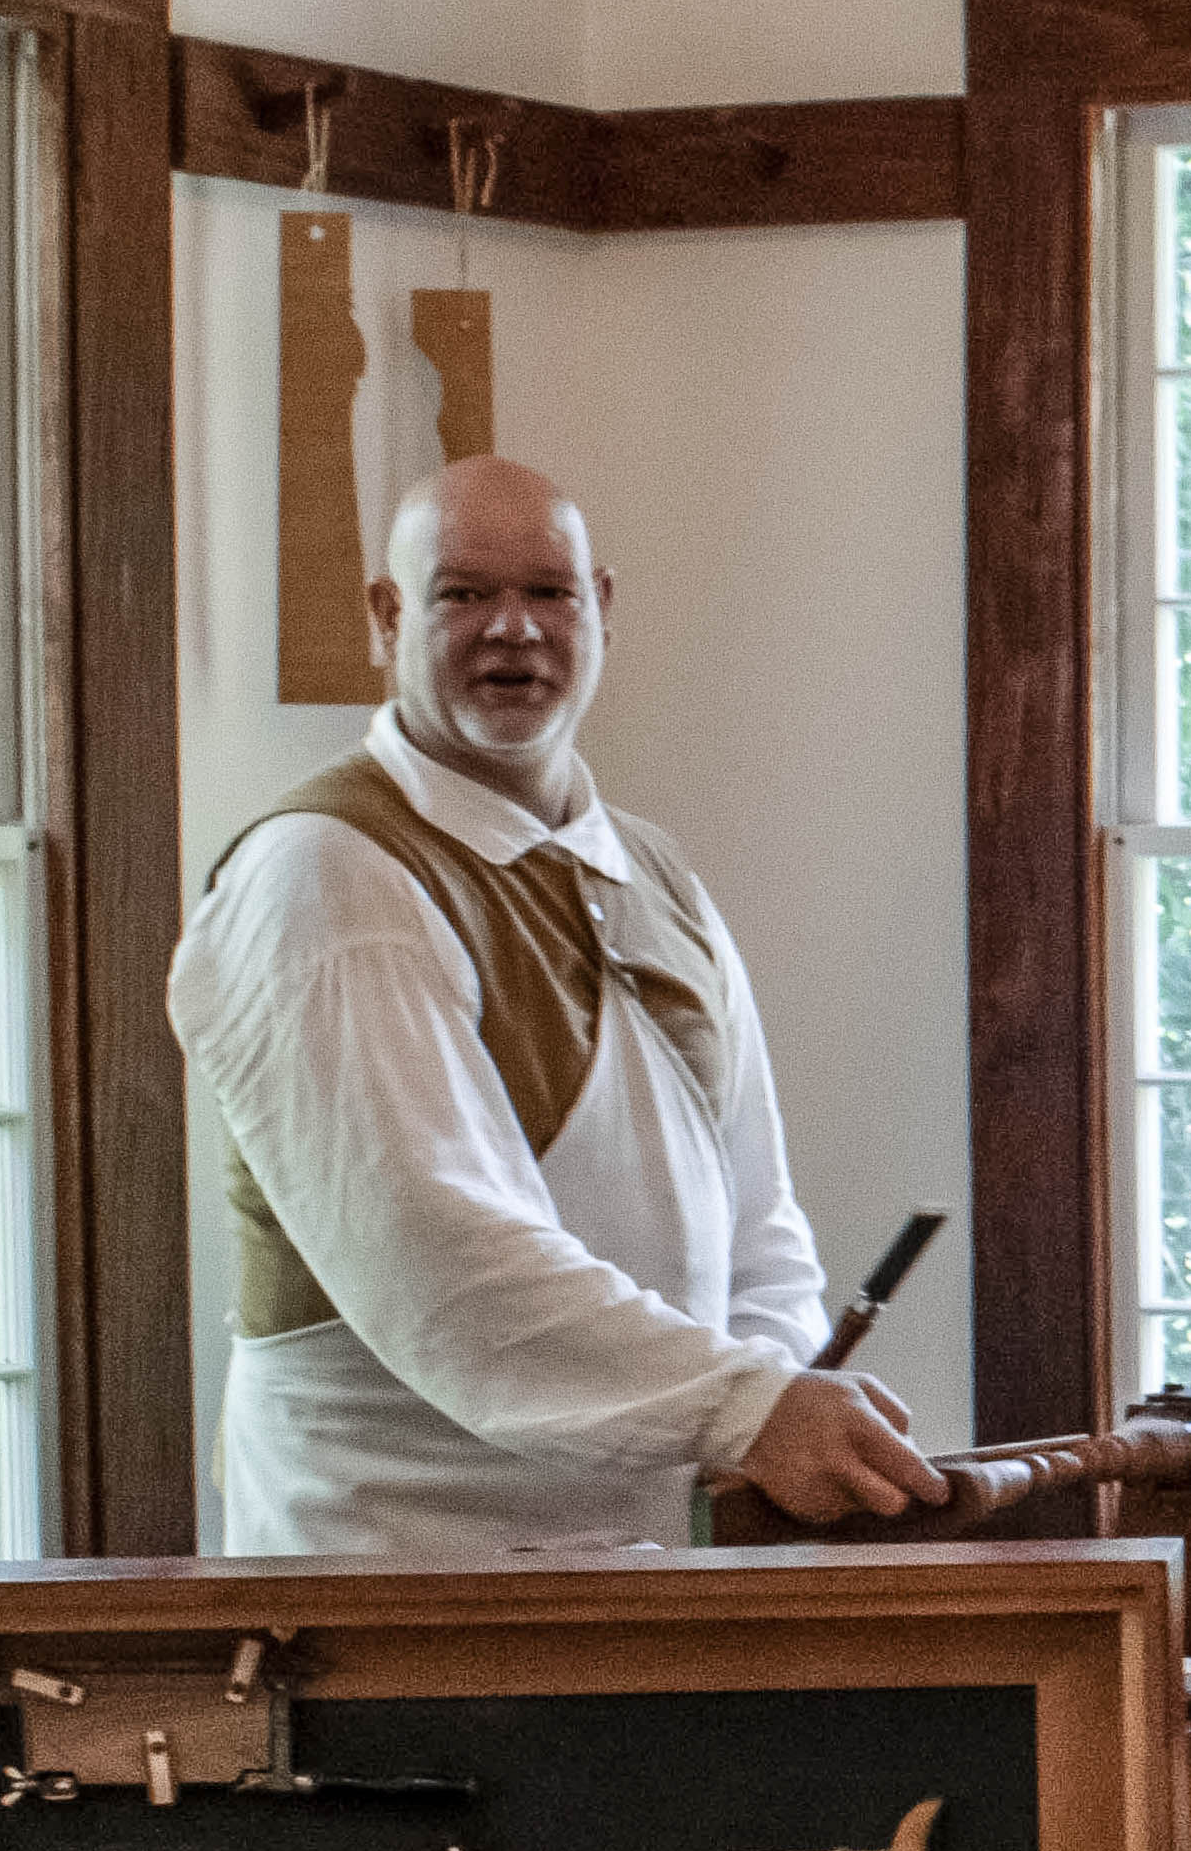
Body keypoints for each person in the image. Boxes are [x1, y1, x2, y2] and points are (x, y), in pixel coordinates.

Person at [165, 455, 942, 1555]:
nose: (511, 630)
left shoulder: (651, 868)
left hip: (657, 1557)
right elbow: (437, 1253)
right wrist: (745, 1408)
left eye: (547, 592)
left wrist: (771, 1396)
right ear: (387, 618)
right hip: (399, 1565)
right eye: (462, 594)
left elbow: (756, 1217)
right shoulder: (325, 878)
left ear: (601, 609)